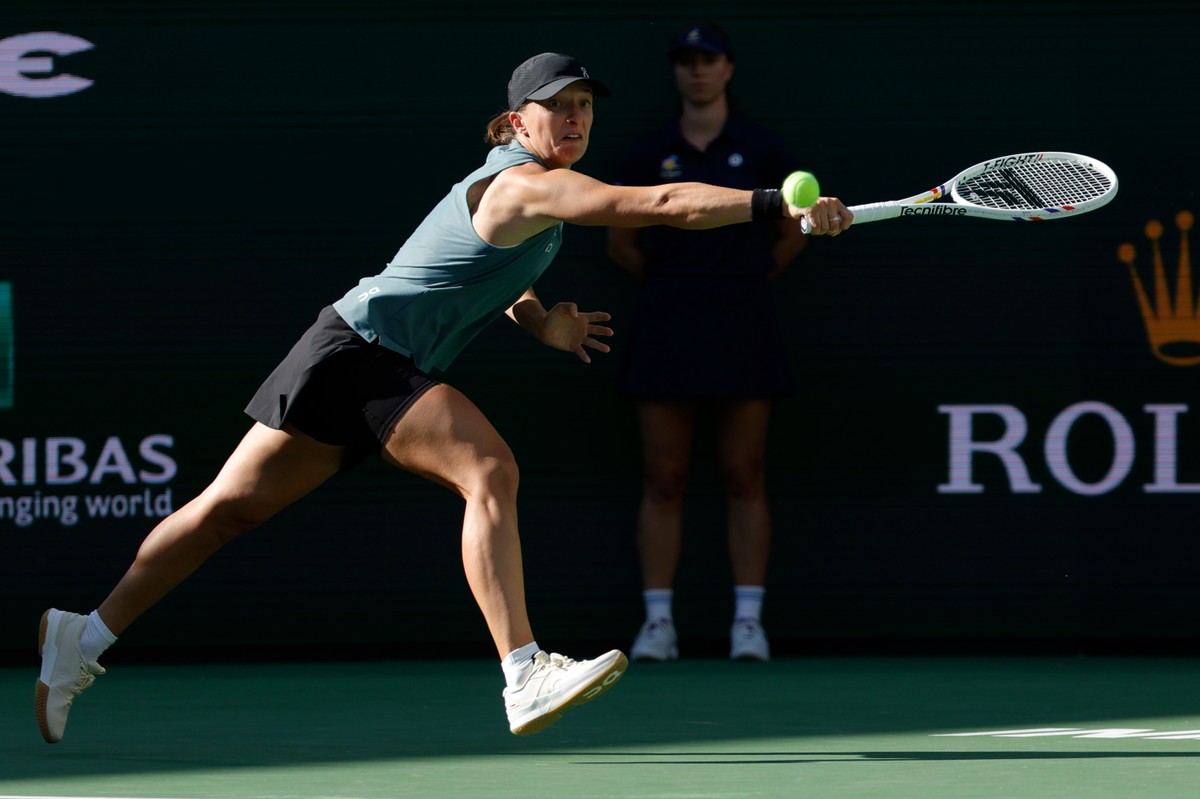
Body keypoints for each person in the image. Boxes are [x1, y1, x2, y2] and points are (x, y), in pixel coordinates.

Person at [35, 51, 852, 745]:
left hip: (345, 353)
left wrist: (538, 322)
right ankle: (524, 670)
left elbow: (473, 275)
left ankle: (84, 635)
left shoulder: (516, 188)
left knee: (226, 512)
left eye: (583, 109)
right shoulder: (528, 188)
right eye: (556, 109)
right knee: (489, 469)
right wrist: (776, 204)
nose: (574, 121)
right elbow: (662, 205)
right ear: (518, 119)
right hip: (362, 356)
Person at [606, 24, 808, 662]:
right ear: (677, 72)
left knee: (744, 474)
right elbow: (620, 243)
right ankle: (657, 625)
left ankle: (748, 623)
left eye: (709, 60)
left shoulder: (764, 148)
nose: (697, 71)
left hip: (744, 318)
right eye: (687, 62)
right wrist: (681, 284)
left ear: (728, 69)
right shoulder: (648, 153)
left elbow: (793, 233)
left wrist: (737, 278)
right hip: (667, 321)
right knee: (663, 477)